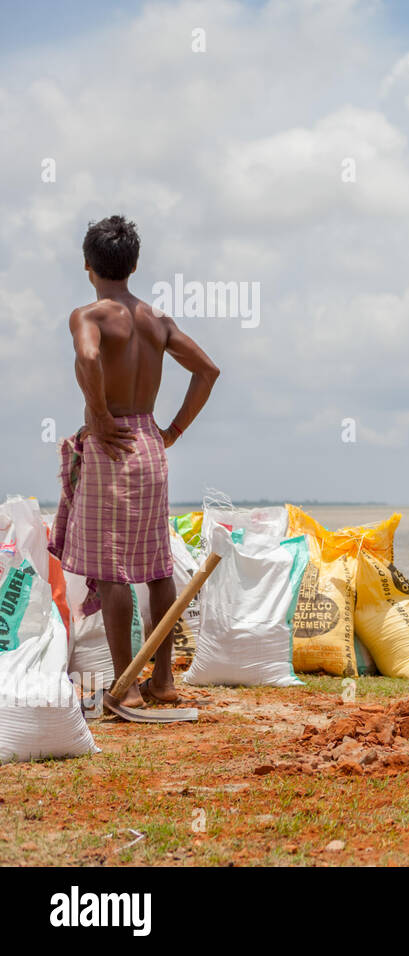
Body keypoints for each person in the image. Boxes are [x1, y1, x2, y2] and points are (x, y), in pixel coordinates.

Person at [48, 216, 220, 709]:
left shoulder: (89, 316)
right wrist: (172, 431)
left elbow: (87, 357)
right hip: (149, 442)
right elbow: (207, 370)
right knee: (156, 565)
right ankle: (162, 679)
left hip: (112, 442)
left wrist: (99, 416)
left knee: (111, 570)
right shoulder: (156, 321)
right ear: (134, 265)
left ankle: (126, 688)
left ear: (88, 266)